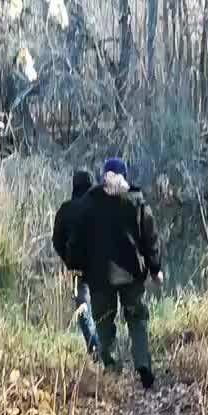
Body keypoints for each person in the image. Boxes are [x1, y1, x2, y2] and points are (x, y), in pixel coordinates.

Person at [74, 157, 163, 391]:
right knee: (137, 319)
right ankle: (143, 364)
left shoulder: (89, 203)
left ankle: (112, 370)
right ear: (125, 176)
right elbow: (150, 238)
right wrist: (155, 269)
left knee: (104, 324)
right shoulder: (136, 201)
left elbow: (78, 240)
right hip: (132, 275)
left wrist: (79, 267)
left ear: (104, 176)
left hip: (100, 277)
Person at [52, 169, 100, 359]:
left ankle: (94, 347)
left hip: (77, 269)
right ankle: (106, 346)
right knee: (103, 307)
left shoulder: (65, 210)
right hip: (100, 267)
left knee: (83, 308)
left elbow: (56, 241)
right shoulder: (99, 208)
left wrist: (68, 259)